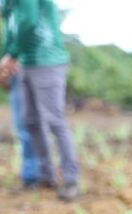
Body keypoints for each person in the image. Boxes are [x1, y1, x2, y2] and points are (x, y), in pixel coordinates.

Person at [0, 0, 79, 201]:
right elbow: (11, 28)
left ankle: (71, 179)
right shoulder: (9, 5)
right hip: (26, 63)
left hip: (47, 61)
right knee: (31, 122)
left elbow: (29, 22)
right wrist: (8, 59)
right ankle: (46, 175)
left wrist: (12, 55)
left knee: (55, 121)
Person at [1, 0, 40, 188]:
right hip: (16, 70)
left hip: (29, 67)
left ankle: (34, 175)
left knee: (28, 125)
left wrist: (13, 56)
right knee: (23, 125)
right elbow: (10, 40)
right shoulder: (9, 12)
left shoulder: (21, 8)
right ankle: (32, 174)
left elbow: (29, 24)